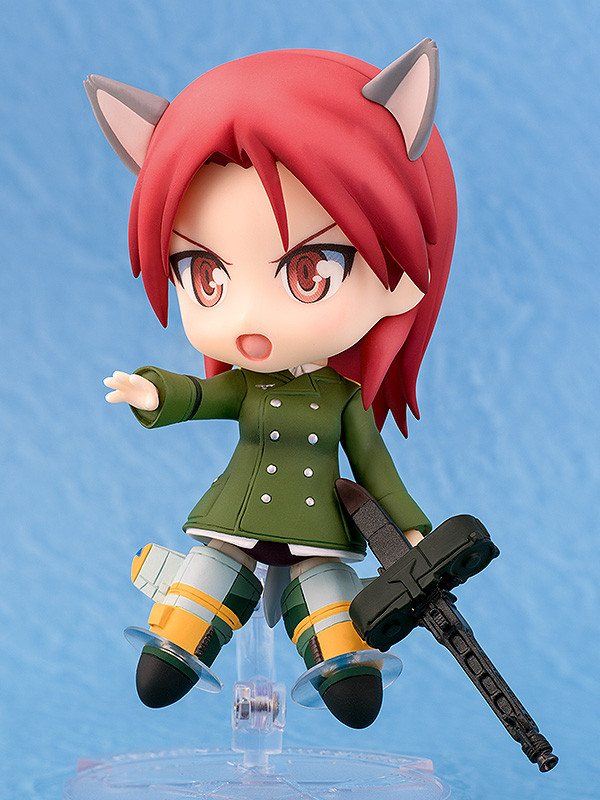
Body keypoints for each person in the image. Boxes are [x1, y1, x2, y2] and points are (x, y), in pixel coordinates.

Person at [85, 40, 457, 728]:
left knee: (333, 614)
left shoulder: (343, 399)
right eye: (205, 276)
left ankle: (340, 656)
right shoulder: (248, 388)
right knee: (199, 594)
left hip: (319, 532)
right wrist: (154, 394)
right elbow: (203, 397)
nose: (248, 321)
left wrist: (407, 528)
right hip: (235, 520)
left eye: (309, 272)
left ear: (401, 280)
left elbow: (374, 467)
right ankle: (181, 636)